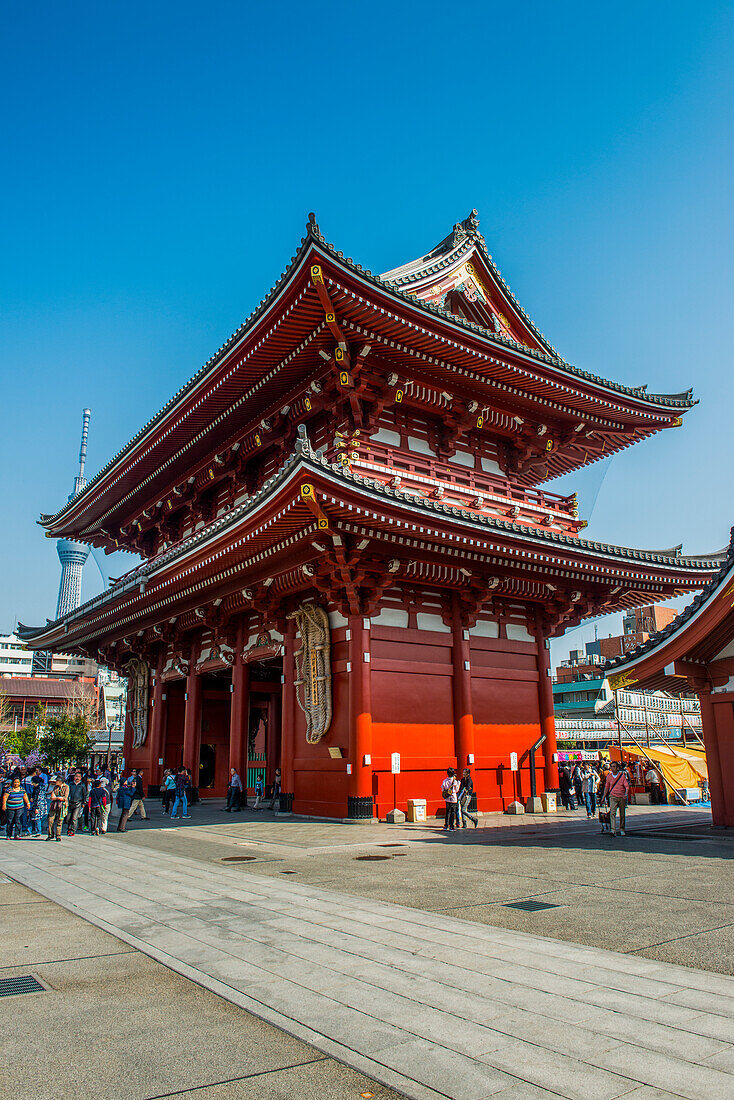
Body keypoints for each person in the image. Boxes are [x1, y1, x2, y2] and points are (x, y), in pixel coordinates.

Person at [603, 761, 631, 837]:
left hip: (621, 796)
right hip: (613, 796)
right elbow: (607, 787)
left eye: (614, 766)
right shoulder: (609, 776)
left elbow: (626, 786)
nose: (612, 768)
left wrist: (625, 794)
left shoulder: (622, 776)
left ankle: (622, 829)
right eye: (611, 766)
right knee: (612, 813)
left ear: (617, 768)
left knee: (622, 814)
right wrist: (603, 797)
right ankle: (613, 830)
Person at [46, 775, 69, 841]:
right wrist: (57, 798)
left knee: (60, 820)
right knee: (50, 819)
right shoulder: (55, 787)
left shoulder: (66, 787)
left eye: (57, 781)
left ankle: (58, 835)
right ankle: (50, 834)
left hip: (62, 805)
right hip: (54, 804)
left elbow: (65, 797)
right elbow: (52, 796)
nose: (56, 782)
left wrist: (58, 798)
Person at [65, 771, 86, 836]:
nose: (77, 778)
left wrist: (84, 803)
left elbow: (84, 794)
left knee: (74, 818)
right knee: (68, 818)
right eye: (76, 776)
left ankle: (72, 830)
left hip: (78, 803)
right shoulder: (71, 784)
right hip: (70, 802)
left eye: (79, 777)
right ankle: (69, 828)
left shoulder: (82, 785)